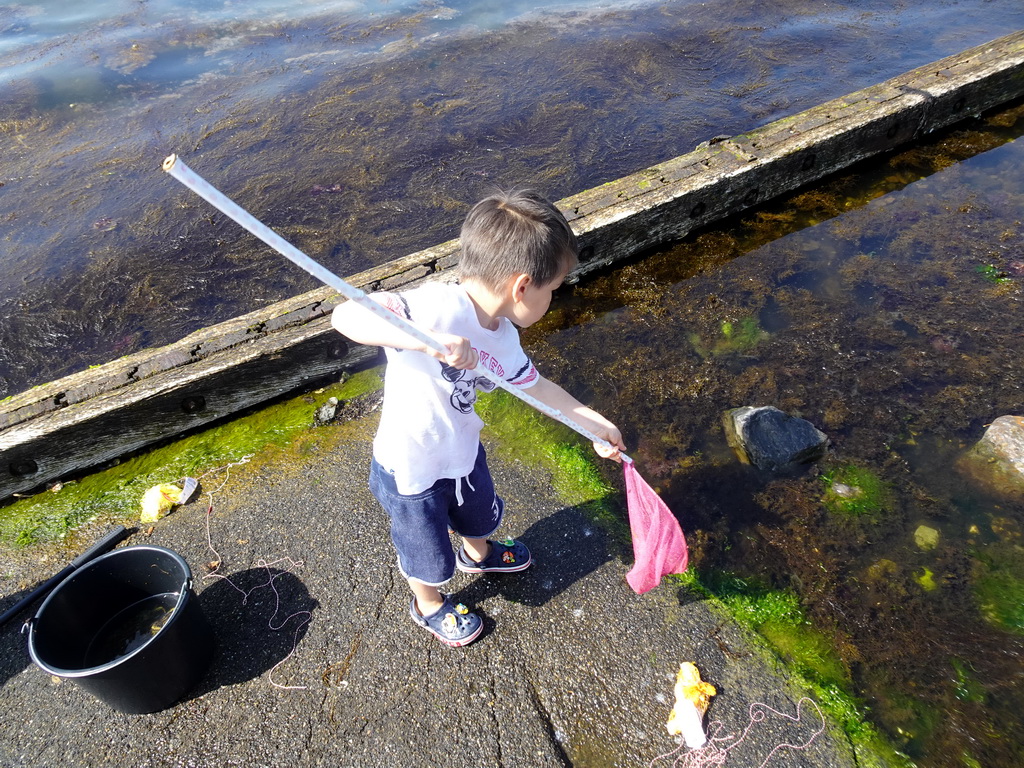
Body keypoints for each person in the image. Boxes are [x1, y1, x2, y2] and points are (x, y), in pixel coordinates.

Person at [331, 189, 625, 647]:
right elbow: (346, 316)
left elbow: (536, 387)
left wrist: (591, 421)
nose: (554, 298)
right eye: (553, 289)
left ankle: (480, 553)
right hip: (411, 469)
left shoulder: (503, 338)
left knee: (476, 514)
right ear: (522, 286)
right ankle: (427, 604)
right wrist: (424, 340)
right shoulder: (432, 308)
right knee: (424, 549)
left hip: (462, 454)